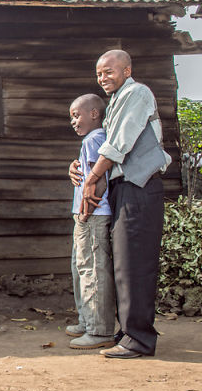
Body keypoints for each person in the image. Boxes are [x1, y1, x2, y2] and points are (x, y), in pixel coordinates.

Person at [70, 50, 170, 359]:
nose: (103, 78)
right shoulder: (115, 102)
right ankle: (127, 332)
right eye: (99, 73)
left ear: (127, 70)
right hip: (123, 188)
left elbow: (119, 143)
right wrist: (79, 168)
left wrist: (92, 177)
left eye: (109, 71)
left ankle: (138, 339)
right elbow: (104, 147)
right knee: (123, 265)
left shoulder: (137, 93)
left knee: (135, 266)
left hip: (141, 187)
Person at [67, 93, 116, 350]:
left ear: (94, 114)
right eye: (71, 118)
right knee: (81, 267)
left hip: (93, 214)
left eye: (77, 115)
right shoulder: (91, 139)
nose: (73, 121)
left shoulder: (96, 138)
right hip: (86, 214)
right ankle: (87, 321)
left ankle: (100, 330)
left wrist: (86, 211)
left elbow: (99, 179)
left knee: (93, 270)